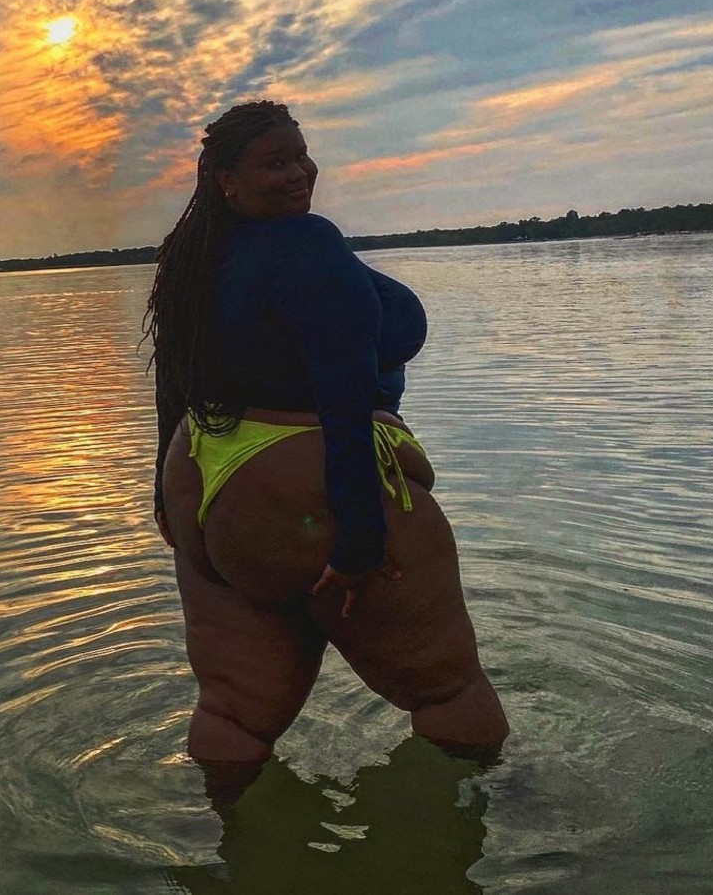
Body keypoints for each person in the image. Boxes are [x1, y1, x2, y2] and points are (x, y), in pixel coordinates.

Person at [144, 100, 508, 806]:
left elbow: (173, 382)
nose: (300, 172)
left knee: (232, 713)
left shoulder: (190, 258)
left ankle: (225, 833)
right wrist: (359, 544)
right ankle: (513, 830)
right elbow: (344, 403)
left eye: (301, 155)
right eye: (275, 162)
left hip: (205, 476)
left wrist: (166, 500)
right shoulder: (309, 245)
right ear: (225, 180)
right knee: (451, 694)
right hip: (300, 478)